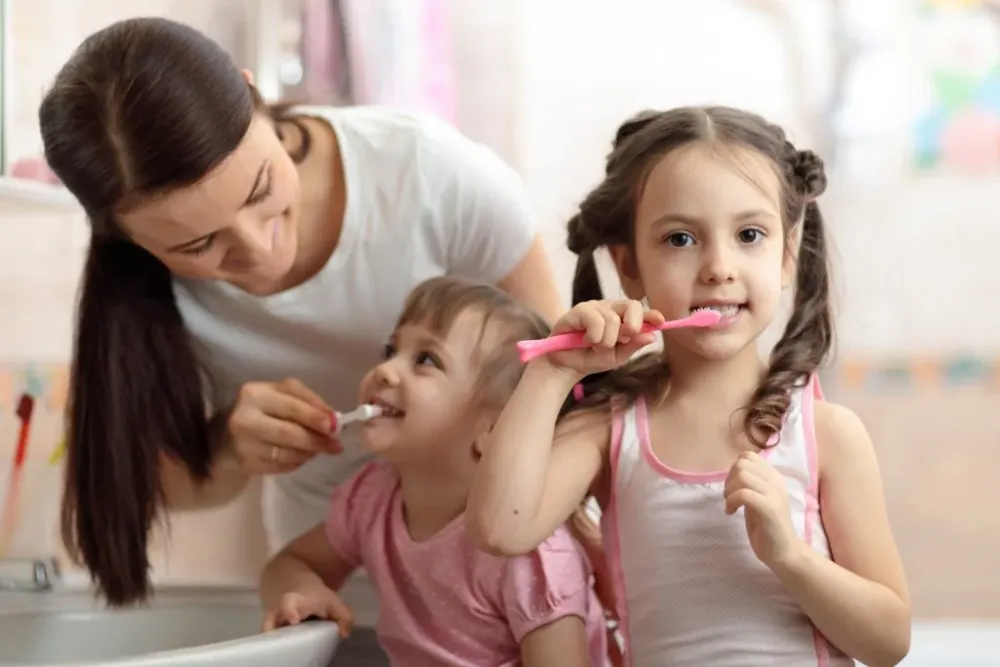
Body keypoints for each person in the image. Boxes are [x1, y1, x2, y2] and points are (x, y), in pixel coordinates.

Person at [38, 15, 568, 618]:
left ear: (253, 97)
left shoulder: (433, 176)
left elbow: (561, 390)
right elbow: (168, 485)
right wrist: (232, 447)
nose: (261, 252)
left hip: (503, 575)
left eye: (260, 189)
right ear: (126, 239)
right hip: (334, 586)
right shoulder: (140, 293)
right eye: (197, 245)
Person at [467, 107, 912, 666]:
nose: (718, 267)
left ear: (787, 254)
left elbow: (888, 642)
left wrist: (791, 558)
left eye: (750, 234)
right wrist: (554, 372)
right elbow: (499, 529)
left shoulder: (828, 434)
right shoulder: (611, 430)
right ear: (629, 267)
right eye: (680, 239)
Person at [259, 276, 608, 666]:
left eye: (426, 359)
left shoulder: (529, 553)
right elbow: (289, 564)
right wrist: (301, 590)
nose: (387, 370)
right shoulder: (371, 498)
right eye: (390, 349)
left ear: (495, 430)